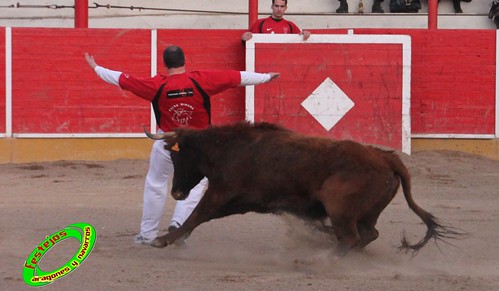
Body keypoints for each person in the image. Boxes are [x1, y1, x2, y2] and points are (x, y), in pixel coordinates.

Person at [85, 46, 280, 246]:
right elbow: (235, 78)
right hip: (199, 146)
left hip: (169, 143)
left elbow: (122, 79)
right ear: (184, 61)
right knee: (195, 184)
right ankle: (179, 223)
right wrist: (265, 77)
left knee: (156, 183)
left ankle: (147, 233)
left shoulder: (156, 85)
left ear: (165, 64)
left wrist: (97, 68)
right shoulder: (200, 80)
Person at [241, 0, 311, 42]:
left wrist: (305, 34)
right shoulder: (260, 23)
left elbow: (301, 40)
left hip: (284, 63)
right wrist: (244, 39)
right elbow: (248, 42)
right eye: (276, 6)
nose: (279, 9)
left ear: (285, 8)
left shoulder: (290, 25)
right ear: (272, 6)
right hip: (264, 63)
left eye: (282, 6)